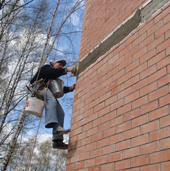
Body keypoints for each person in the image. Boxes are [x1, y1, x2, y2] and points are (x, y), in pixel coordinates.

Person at [30, 59, 77, 149]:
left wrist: (70, 88)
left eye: (62, 66)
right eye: (59, 64)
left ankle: (57, 141)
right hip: (38, 87)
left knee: (61, 113)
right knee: (52, 101)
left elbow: (57, 88)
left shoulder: (53, 77)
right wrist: (66, 70)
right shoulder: (46, 68)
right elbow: (51, 72)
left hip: (46, 90)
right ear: (54, 63)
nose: (61, 67)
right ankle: (55, 127)